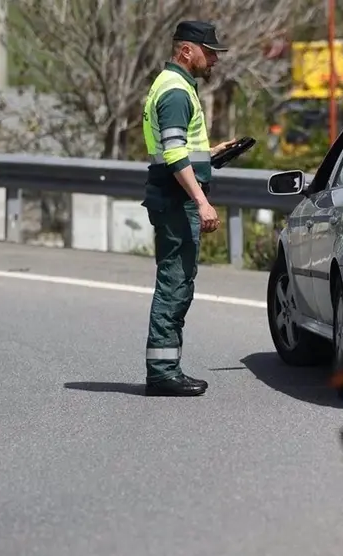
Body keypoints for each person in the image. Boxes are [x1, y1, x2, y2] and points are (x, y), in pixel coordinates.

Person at [140, 20, 238, 397]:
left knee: (177, 280)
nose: (213, 59)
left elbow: (176, 148)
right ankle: (163, 372)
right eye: (209, 51)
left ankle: (166, 368)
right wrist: (202, 200)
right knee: (174, 283)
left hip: (171, 195)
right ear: (186, 51)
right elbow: (175, 153)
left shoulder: (173, 86)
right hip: (177, 200)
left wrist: (210, 154)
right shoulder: (177, 91)